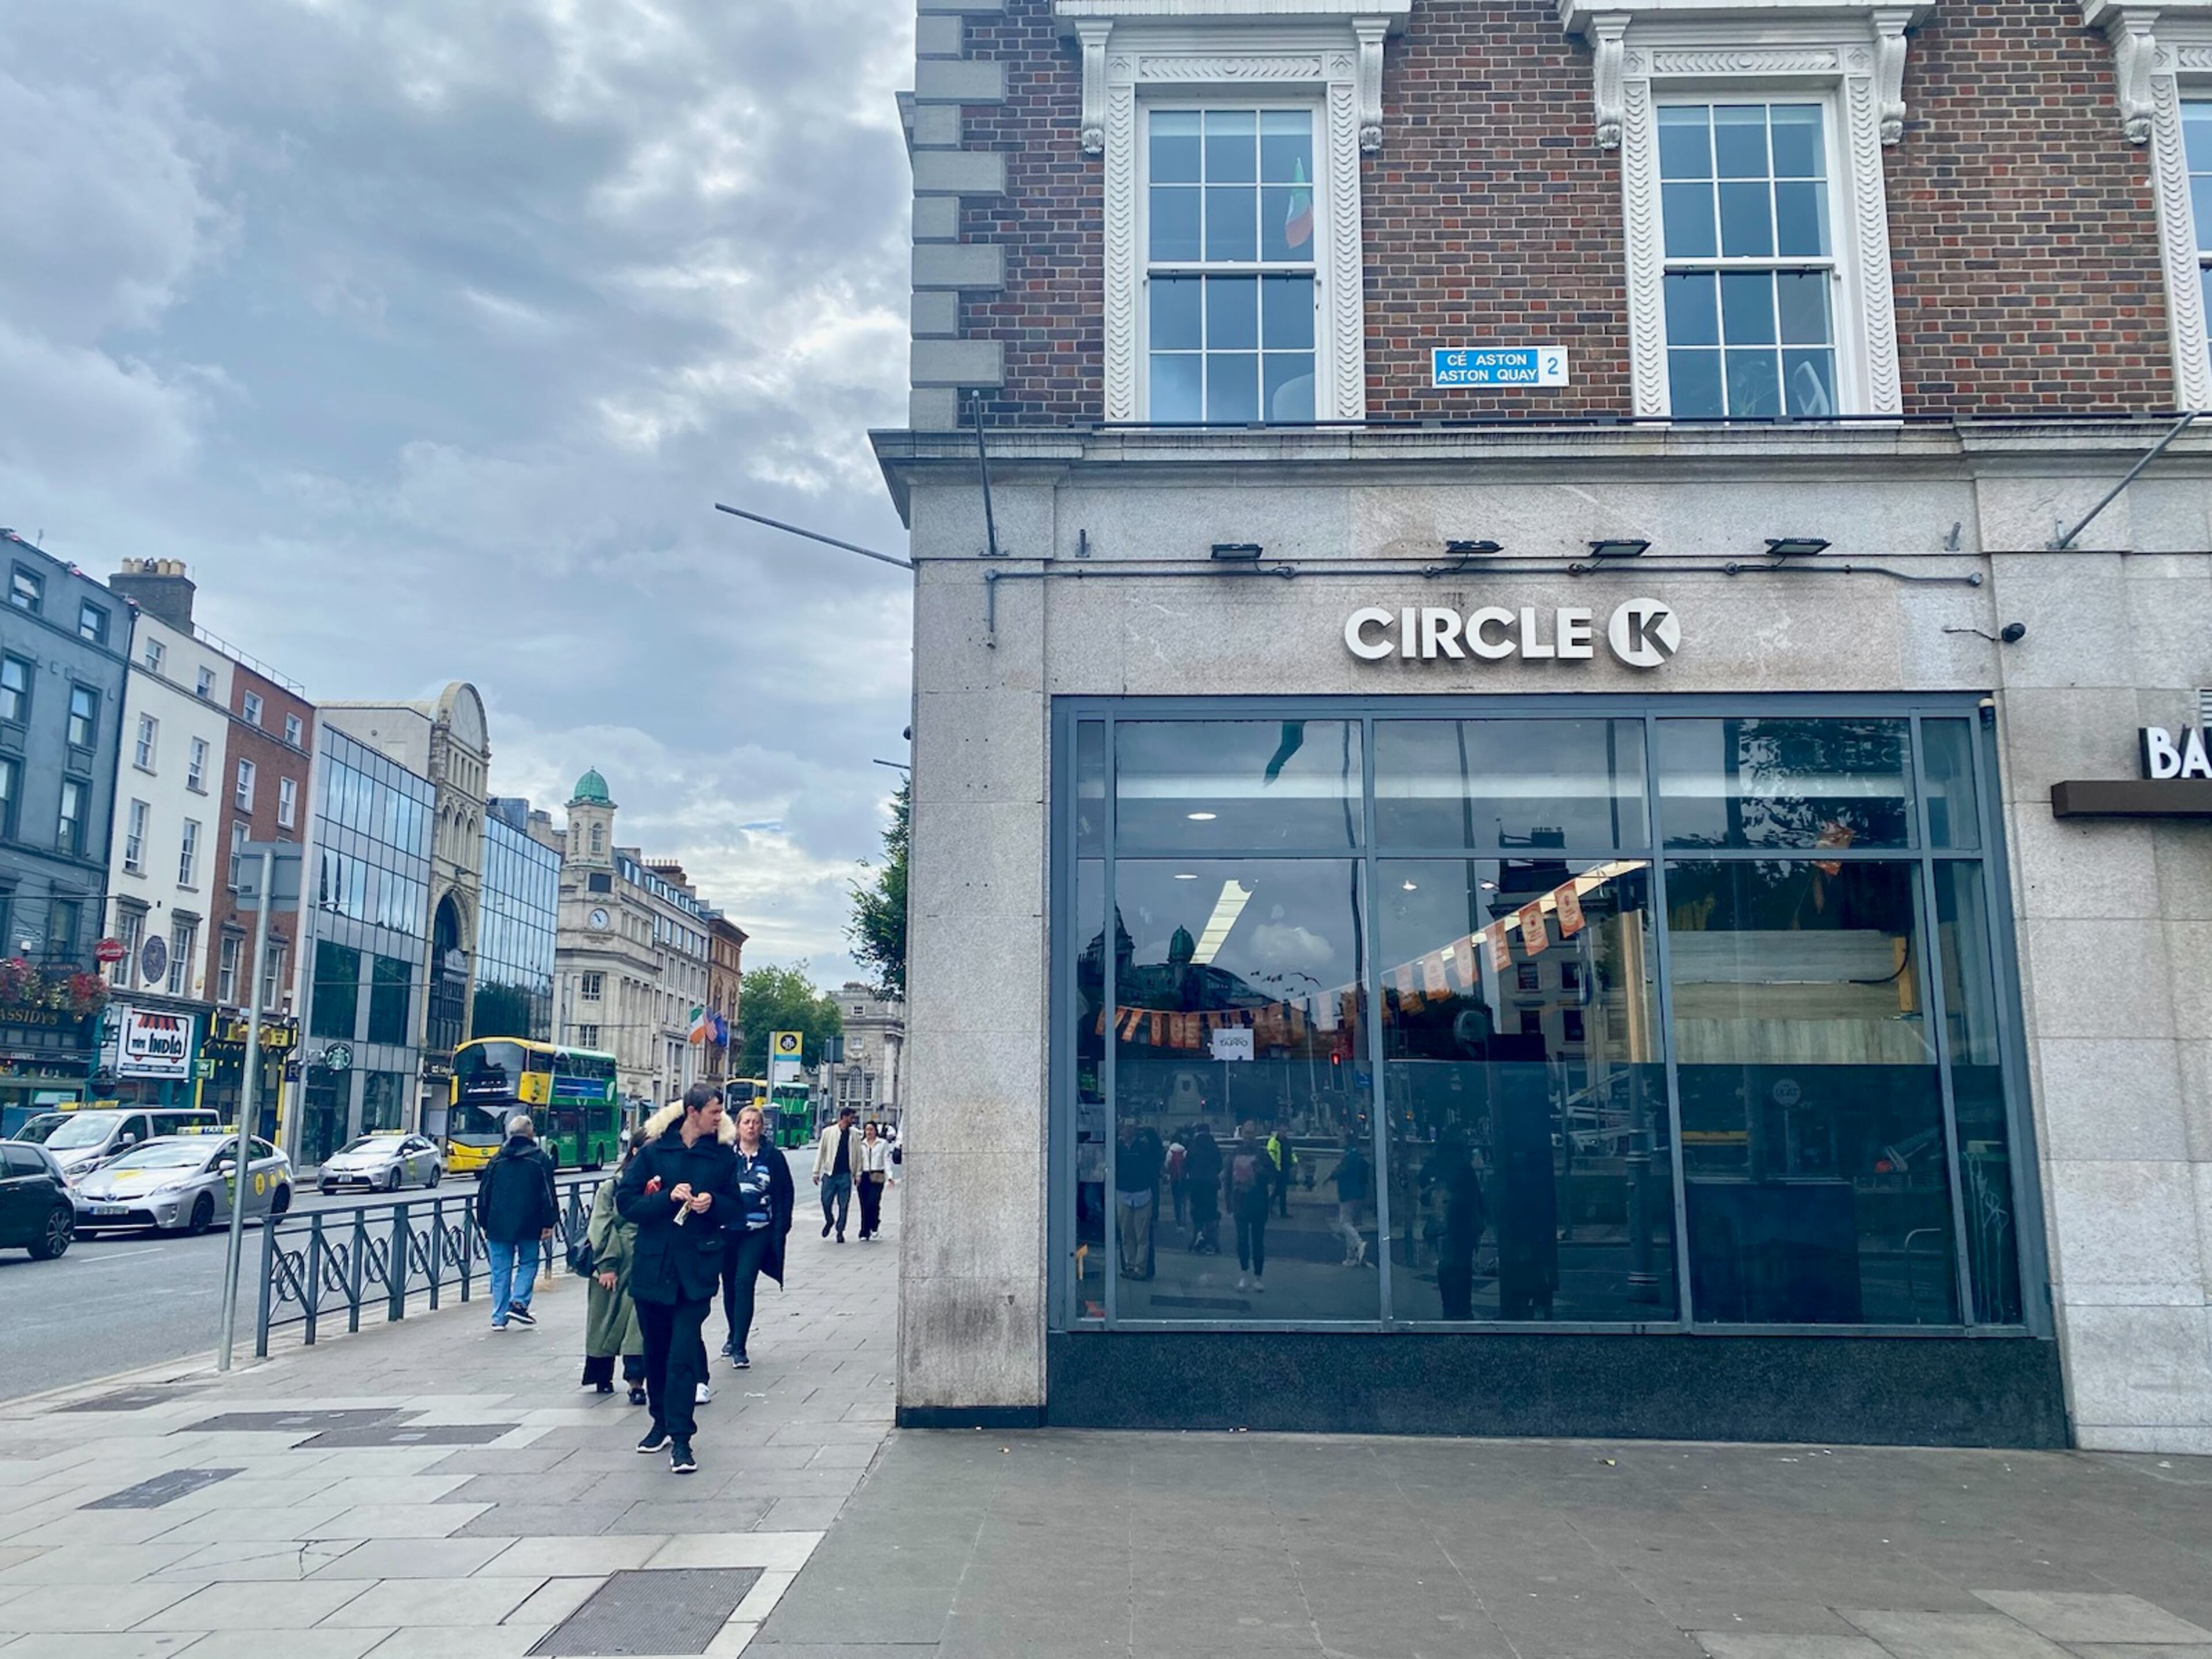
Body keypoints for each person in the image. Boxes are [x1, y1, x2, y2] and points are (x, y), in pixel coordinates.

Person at [617, 1082, 739, 1475]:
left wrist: (713, 1203)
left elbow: (737, 1207)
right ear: (692, 1112)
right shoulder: (654, 1153)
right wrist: (665, 1197)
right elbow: (626, 1203)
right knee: (655, 1350)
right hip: (654, 1267)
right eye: (714, 1112)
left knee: (683, 1353)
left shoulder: (721, 1158)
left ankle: (683, 1439)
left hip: (696, 1270)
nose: (719, 1119)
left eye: (721, 1113)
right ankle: (660, 1423)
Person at [722, 1101, 794, 1368]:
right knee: (729, 1285)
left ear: (762, 1127)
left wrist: (782, 1227)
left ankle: (740, 1346)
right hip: (729, 1231)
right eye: (746, 1122)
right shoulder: (727, 1156)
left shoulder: (772, 1157)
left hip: (758, 1231)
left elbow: (785, 1193)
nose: (751, 1127)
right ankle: (732, 1333)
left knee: (744, 1283)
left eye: (756, 1123)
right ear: (738, 1127)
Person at [475, 1112, 557, 1330]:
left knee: (500, 1270)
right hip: (530, 1222)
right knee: (528, 1262)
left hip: (498, 1223)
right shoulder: (540, 1159)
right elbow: (548, 1194)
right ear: (531, 1133)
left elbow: (484, 1193)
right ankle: (519, 1302)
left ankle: (499, 1317)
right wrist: (549, 1221)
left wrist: (483, 1221)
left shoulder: (498, 1159)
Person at [582, 1145, 646, 1401]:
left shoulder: (660, 1183)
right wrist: (606, 1264)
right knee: (603, 1319)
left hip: (644, 1261)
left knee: (637, 1323)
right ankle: (600, 1375)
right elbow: (600, 1224)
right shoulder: (612, 1187)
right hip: (612, 1260)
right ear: (635, 1151)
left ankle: (636, 1381)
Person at [1226, 1120, 1273, 1293]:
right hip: (1241, 1202)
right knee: (1242, 1241)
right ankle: (1244, 1274)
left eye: (1252, 1133)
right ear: (1242, 1134)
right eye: (1247, 1133)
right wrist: (1228, 1201)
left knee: (1258, 1241)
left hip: (1259, 1203)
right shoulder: (1235, 1153)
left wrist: (1260, 1170)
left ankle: (1258, 1277)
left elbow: (1272, 1174)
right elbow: (1228, 1181)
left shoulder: (1263, 1154)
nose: (1249, 1136)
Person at [1113, 1118, 1163, 1278]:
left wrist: (1148, 1130)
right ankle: (1130, 1264)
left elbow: (1157, 1151)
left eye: (1128, 1128)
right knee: (1126, 1233)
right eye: (1123, 1128)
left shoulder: (1143, 1146)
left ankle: (1140, 1268)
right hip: (1124, 1192)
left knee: (1142, 1235)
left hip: (1142, 1192)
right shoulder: (1118, 1147)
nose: (1124, 1131)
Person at [813, 1106, 864, 1242]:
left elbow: (859, 1156)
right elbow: (821, 1152)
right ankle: (829, 1220)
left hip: (846, 1174)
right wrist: (816, 1171)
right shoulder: (828, 1132)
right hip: (830, 1174)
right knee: (826, 1201)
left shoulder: (855, 1135)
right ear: (844, 1117)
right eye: (852, 1118)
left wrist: (858, 1174)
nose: (854, 1120)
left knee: (844, 1205)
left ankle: (840, 1231)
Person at [1331, 1134, 1372, 1268]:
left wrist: (1334, 1175)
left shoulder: (1349, 1157)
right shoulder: (1356, 1155)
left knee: (1344, 1223)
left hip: (1348, 1193)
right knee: (1349, 1222)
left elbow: (1342, 1172)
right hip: (1358, 1193)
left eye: (1341, 1138)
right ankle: (1351, 1257)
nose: (1338, 1139)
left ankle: (1359, 1244)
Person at [1183, 1124, 1222, 1254]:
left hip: (1196, 1184)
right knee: (1211, 1213)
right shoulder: (1213, 1146)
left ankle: (1197, 1237)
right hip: (1211, 1184)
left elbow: (1187, 1164)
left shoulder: (1193, 1146)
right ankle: (1211, 1242)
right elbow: (1219, 1165)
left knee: (1197, 1212)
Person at [855, 1119, 893, 1241]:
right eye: (867, 1130)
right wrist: (857, 1175)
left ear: (876, 1131)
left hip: (878, 1175)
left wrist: (890, 1176)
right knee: (864, 1204)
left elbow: (886, 1160)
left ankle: (875, 1223)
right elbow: (858, 1161)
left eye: (871, 1129)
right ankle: (864, 1231)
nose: (869, 1132)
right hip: (864, 1176)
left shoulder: (882, 1143)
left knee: (873, 1202)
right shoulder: (861, 1145)